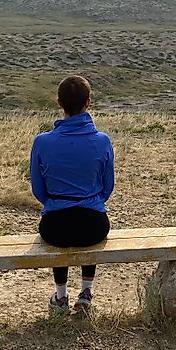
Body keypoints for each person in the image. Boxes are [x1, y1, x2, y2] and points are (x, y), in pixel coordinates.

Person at [30, 75, 115, 311]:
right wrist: (90, 200)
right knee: (88, 229)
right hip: (94, 225)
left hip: (54, 226)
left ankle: (60, 296)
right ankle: (86, 293)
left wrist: (57, 202)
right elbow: (107, 187)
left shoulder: (42, 142)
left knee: (60, 235)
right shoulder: (102, 141)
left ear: (59, 102)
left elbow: (38, 190)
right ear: (88, 103)